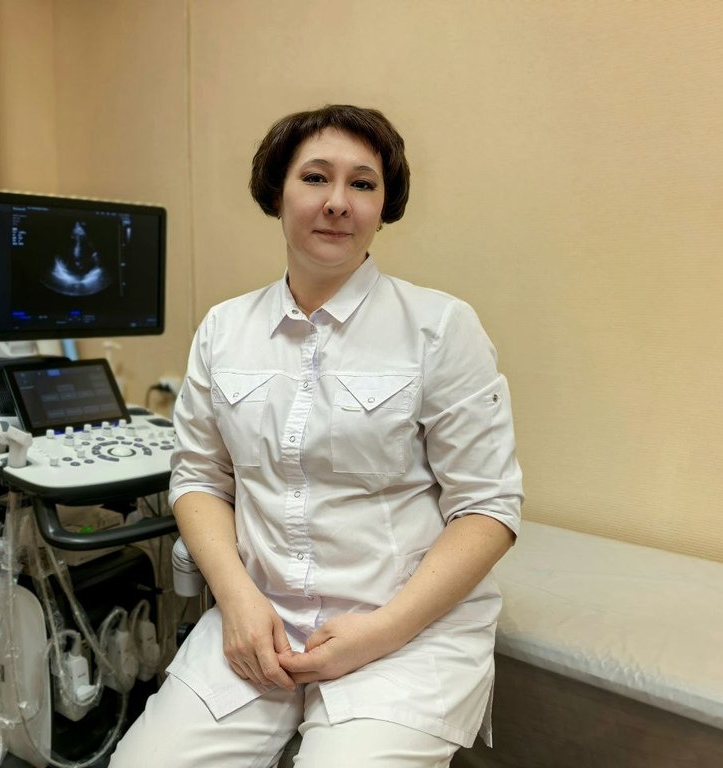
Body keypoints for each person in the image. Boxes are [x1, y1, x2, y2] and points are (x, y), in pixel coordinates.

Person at [110, 104, 523, 767]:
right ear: (277, 193)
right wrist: (237, 601)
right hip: (259, 622)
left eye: (362, 183)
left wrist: (380, 632)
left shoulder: (440, 328)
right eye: (315, 177)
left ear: (383, 207)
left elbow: (488, 508)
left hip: (404, 636)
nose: (337, 202)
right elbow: (199, 478)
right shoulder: (224, 330)